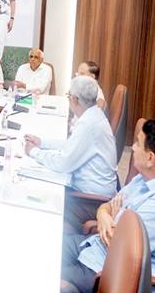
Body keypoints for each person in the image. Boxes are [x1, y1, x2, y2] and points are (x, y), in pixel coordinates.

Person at [60, 120, 155, 293]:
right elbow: (108, 207)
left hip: (114, 271)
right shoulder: (146, 177)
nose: (133, 148)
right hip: (96, 247)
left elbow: (123, 246)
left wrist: (112, 217)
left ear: (150, 158)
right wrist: (104, 215)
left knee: (43, 273)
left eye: (138, 143)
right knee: (45, 243)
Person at [24, 76, 117, 226]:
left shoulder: (88, 124)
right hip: (92, 192)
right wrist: (42, 143)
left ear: (74, 99)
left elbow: (63, 164)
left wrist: (34, 152)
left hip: (92, 201)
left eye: (68, 95)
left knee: (39, 202)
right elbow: (71, 145)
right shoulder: (94, 114)